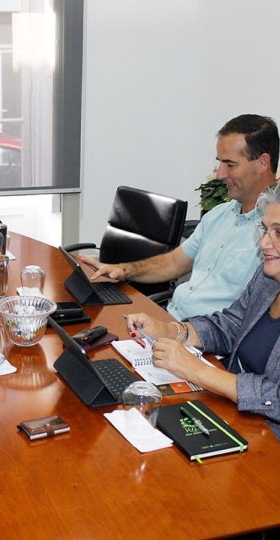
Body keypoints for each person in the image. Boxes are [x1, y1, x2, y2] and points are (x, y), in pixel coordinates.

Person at [83, 114, 279, 320]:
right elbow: (173, 263)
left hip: (205, 335)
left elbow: (247, 321)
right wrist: (123, 270)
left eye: (230, 164)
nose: (220, 174)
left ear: (263, 162)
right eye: (220, 163)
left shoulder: (272, 239)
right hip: (170, 319)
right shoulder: (218, 215)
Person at [124, 183, 280, 440]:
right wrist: (171, 330)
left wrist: (197, 371)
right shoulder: (267, 280)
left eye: (278, 233)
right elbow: (230, 324)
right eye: (264, 230)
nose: (264, 242)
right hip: (234, 412)